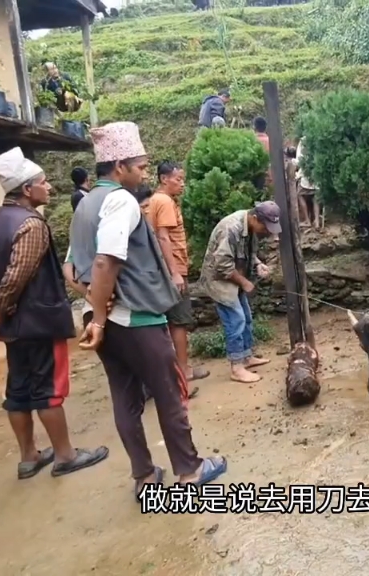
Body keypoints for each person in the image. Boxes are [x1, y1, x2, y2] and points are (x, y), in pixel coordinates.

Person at [68, 121, 227, 496]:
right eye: (139, 166)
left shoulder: (83, 204)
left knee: (125, 398)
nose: (144, 173)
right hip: (136, 318)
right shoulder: (120, 200)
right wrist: (105, 315)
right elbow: (107, 261)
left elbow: (71, 270)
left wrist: (95, 305)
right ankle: (189, 469)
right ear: (119, 166)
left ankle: (144, 475)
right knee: (169, 391)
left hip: (104, 322)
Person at [0, 147, 109, 480]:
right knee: (48, 389)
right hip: (38, 321)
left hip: (13, 328)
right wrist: (0, 312)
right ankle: (65, 456)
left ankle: (29, 456)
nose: (49, 188)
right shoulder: (31, 224)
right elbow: (17, 274)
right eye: (43, 182)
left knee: (18, 390)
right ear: (26, 190)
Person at [144, 161, 210, 393]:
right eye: (178, 179)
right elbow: (163, 237)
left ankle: (181, 368)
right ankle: (183, 372)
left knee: (173, 322)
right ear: (164, 179)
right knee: (179, 321)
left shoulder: (155, 201)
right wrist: (175, 272)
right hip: (174, 270)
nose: (182, 184)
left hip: (165, 270)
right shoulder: (164, 202)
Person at [199, 201, 281, 383]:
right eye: (266, 226)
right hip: (220, 281)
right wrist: (245, 282)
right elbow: (222, 265)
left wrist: (258, 264)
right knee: (236, 320)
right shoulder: (231, 228)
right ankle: (236, 367)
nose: (267, 231)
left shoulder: (250, 228)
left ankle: (246, 356)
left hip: (234, 277)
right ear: (254, 218)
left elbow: (247, 253)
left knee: (246, 316)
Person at [294, 137, 321, 229]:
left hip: (306, 173)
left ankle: (307, 220)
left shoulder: (304, 140)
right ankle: (317, 221)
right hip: (318, 172)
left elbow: (299, 160)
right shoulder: (319, 137)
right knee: (316, 197)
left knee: (300, 194)